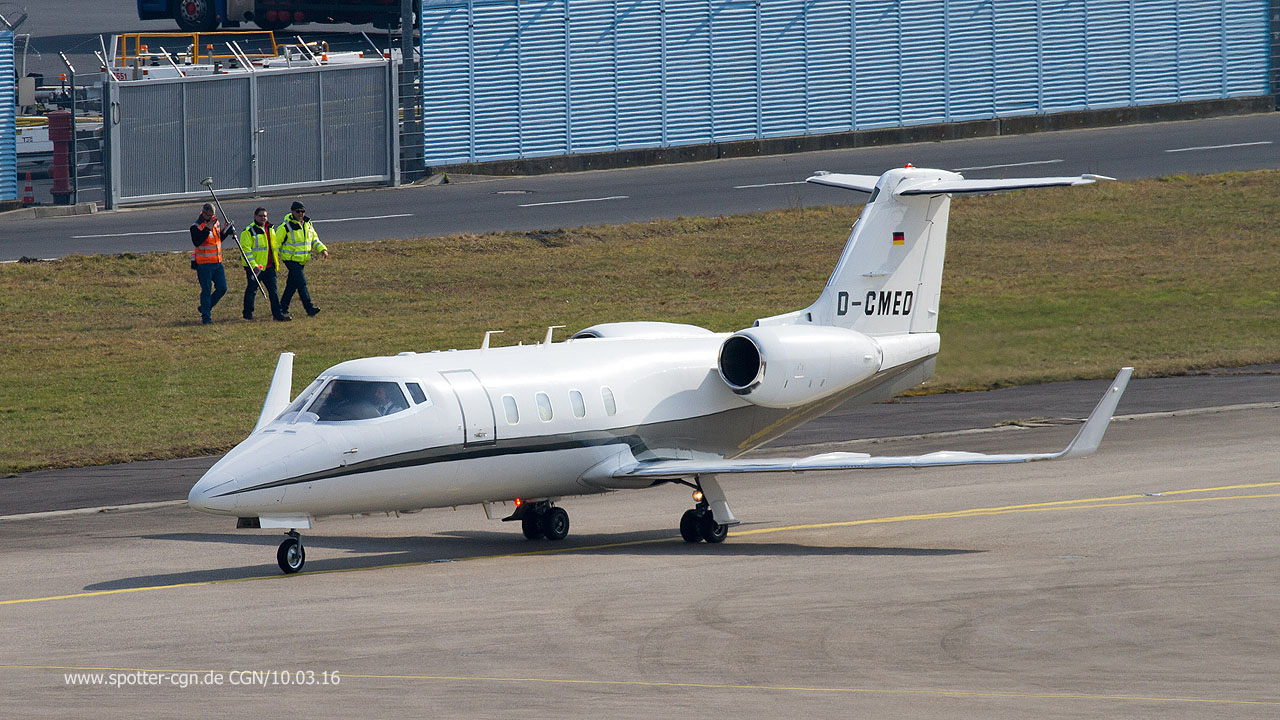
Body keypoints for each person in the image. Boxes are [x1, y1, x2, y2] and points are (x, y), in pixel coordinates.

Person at [276, 200, 329, 318]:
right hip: (291, 260)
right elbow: (276, 244)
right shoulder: (285, 226)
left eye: (302, 211)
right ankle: (309, 308)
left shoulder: (308, 224)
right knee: (301, 283)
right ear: (292, 211)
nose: (300, 214)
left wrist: (322, 249)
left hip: (302, 260)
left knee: (292, 285)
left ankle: (282, 307)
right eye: (298, 211)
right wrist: (274, 260)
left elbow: (314, 239)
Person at [239, 207, 290, 321]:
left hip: (269, 266)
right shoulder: (248, 231)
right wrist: (254, 266)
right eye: (261, 216)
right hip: (256, 268)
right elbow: (246, 251)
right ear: (255, 216)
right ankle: (247, 314)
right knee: (252, 290)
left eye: (265, 216)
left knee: (273, 291)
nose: (263, 218)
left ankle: (277, 314)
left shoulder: (270, 229)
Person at [190, 203, 230, 324]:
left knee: (222, 288)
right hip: (204, 264)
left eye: (213, 215)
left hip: (217, 262)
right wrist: (207, 228)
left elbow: (218, 239)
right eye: (209, 215)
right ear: (203, 213)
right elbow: (197, 242)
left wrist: (226, 231)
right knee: (206, 290)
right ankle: (206, 317)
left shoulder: (216, 223)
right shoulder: (196, 226)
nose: (212, 218)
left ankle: (205, 307)